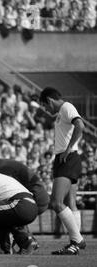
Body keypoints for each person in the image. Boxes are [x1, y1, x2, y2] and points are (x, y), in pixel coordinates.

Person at [39, 87, 86, 255]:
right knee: (70, 202)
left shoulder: (67, 107)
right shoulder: (61, 112)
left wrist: (68, 148)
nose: (46, 109)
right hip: (67, 158)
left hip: (68, 158)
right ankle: (74, 244)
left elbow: (80, 125)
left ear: (50, 101)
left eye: (45, 106)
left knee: (56, 202)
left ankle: (78, 240)